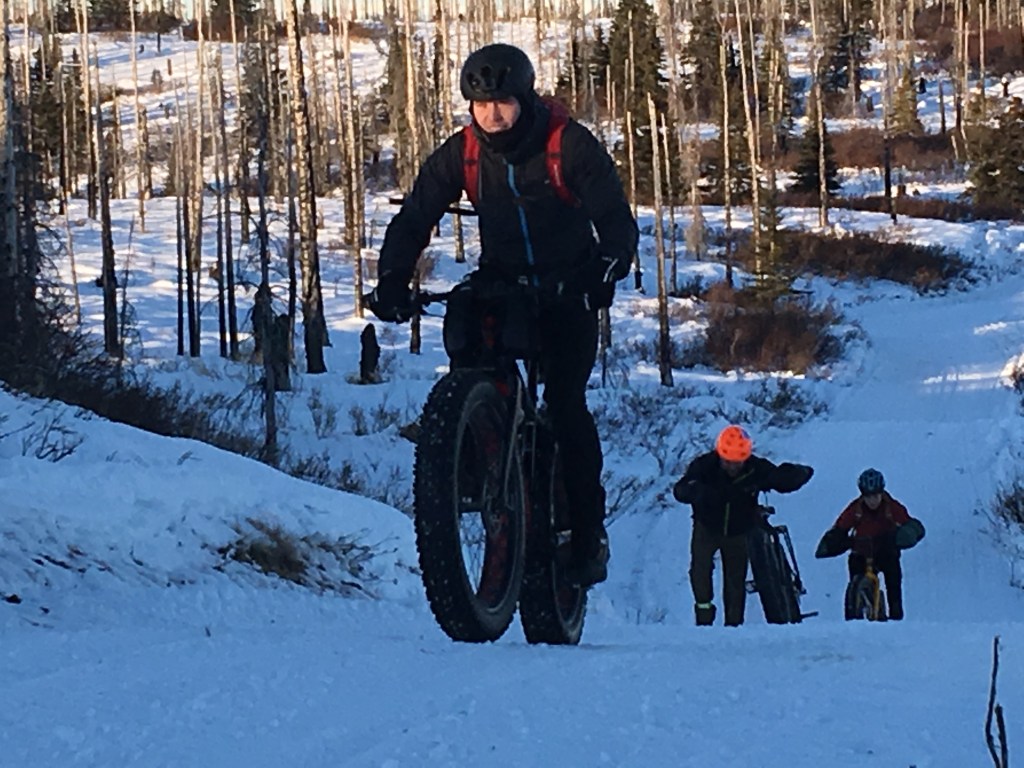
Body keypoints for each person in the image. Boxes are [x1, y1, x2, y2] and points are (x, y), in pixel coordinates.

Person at [367, 43, 639, 587]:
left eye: (503, 103)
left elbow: (614, 217)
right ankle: (471, 458)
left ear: (525, 99)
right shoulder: (463, 152)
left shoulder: (568, 145)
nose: (492, 115)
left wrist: (604, 270)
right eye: (481, 104)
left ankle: (587, 532)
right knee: (468, 356)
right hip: (504, 283)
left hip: (570, 288)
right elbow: (418, 212)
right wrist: (393, 279)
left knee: (564, 406)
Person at [672, 425, 814, 627]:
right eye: (728, 461)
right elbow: (680, 490)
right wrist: (698, 492)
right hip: (707, 526)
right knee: (700, 571)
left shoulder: (755, 468)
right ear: (720, 454)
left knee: (735, 581)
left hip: (739, 531)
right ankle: (704, 622)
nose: (733, 466)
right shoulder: (704, 466)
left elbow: (780, 479)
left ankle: (733, 626)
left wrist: (796, 474)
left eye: (737, 462)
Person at [815, 468, 925, 620]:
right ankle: (855, 610)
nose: (872, 500)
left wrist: (905, 535)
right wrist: (835, 541)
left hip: (886, 551)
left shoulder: (891, 506)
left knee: (893, 579)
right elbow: (841, 526)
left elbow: (908, 523)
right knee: (855, 575)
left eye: (876, 495)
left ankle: (896, 616)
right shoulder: (855, 509)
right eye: (868, 496)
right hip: (862, 551)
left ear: (881, 493)